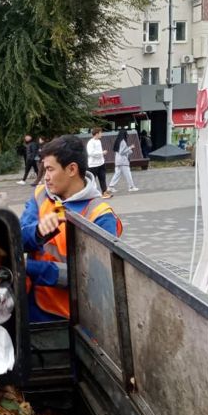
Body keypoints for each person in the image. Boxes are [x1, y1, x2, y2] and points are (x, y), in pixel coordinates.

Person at [21, 135, 122, 322]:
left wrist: (29, 268)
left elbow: (93, 278)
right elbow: (17, 240)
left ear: (72, 169)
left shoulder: (100, 215)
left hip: (69, 320)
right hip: (32, 307)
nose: (45, 177)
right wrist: (37, 232)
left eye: (50, 169)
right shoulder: (41, 195)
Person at [106, 130, 139, 195]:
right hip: (123, 161)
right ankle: (131, 187)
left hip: (118, 160)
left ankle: (110, 187)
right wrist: (130, 147)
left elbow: (120, 151)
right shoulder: (123, 141)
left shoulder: (118, 141)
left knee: (117, 174)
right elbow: (122, 152)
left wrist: (129, 150)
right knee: (128, 174)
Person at [86, 128, 110, 198]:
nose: (101, 134)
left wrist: (102, 156)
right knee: (92, 180)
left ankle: (104, 192)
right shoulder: (90, 142)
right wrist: (102, 153)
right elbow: (90, 153)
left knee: (102, 178)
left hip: (101, 163)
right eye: (100, 133)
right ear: (96, 134)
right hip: (93, 165)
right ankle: (91, 194)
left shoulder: (99, 141)